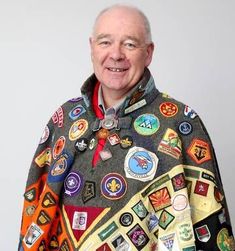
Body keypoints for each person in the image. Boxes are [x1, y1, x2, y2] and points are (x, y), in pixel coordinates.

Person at [19, 4, 234, 251]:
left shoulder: (180, 123)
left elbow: (210, 224)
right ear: (91, 47)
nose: (116, 54)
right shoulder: (64, 119)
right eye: (105, 42)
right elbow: (34, 216)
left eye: (129, 44)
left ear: (148, 52)